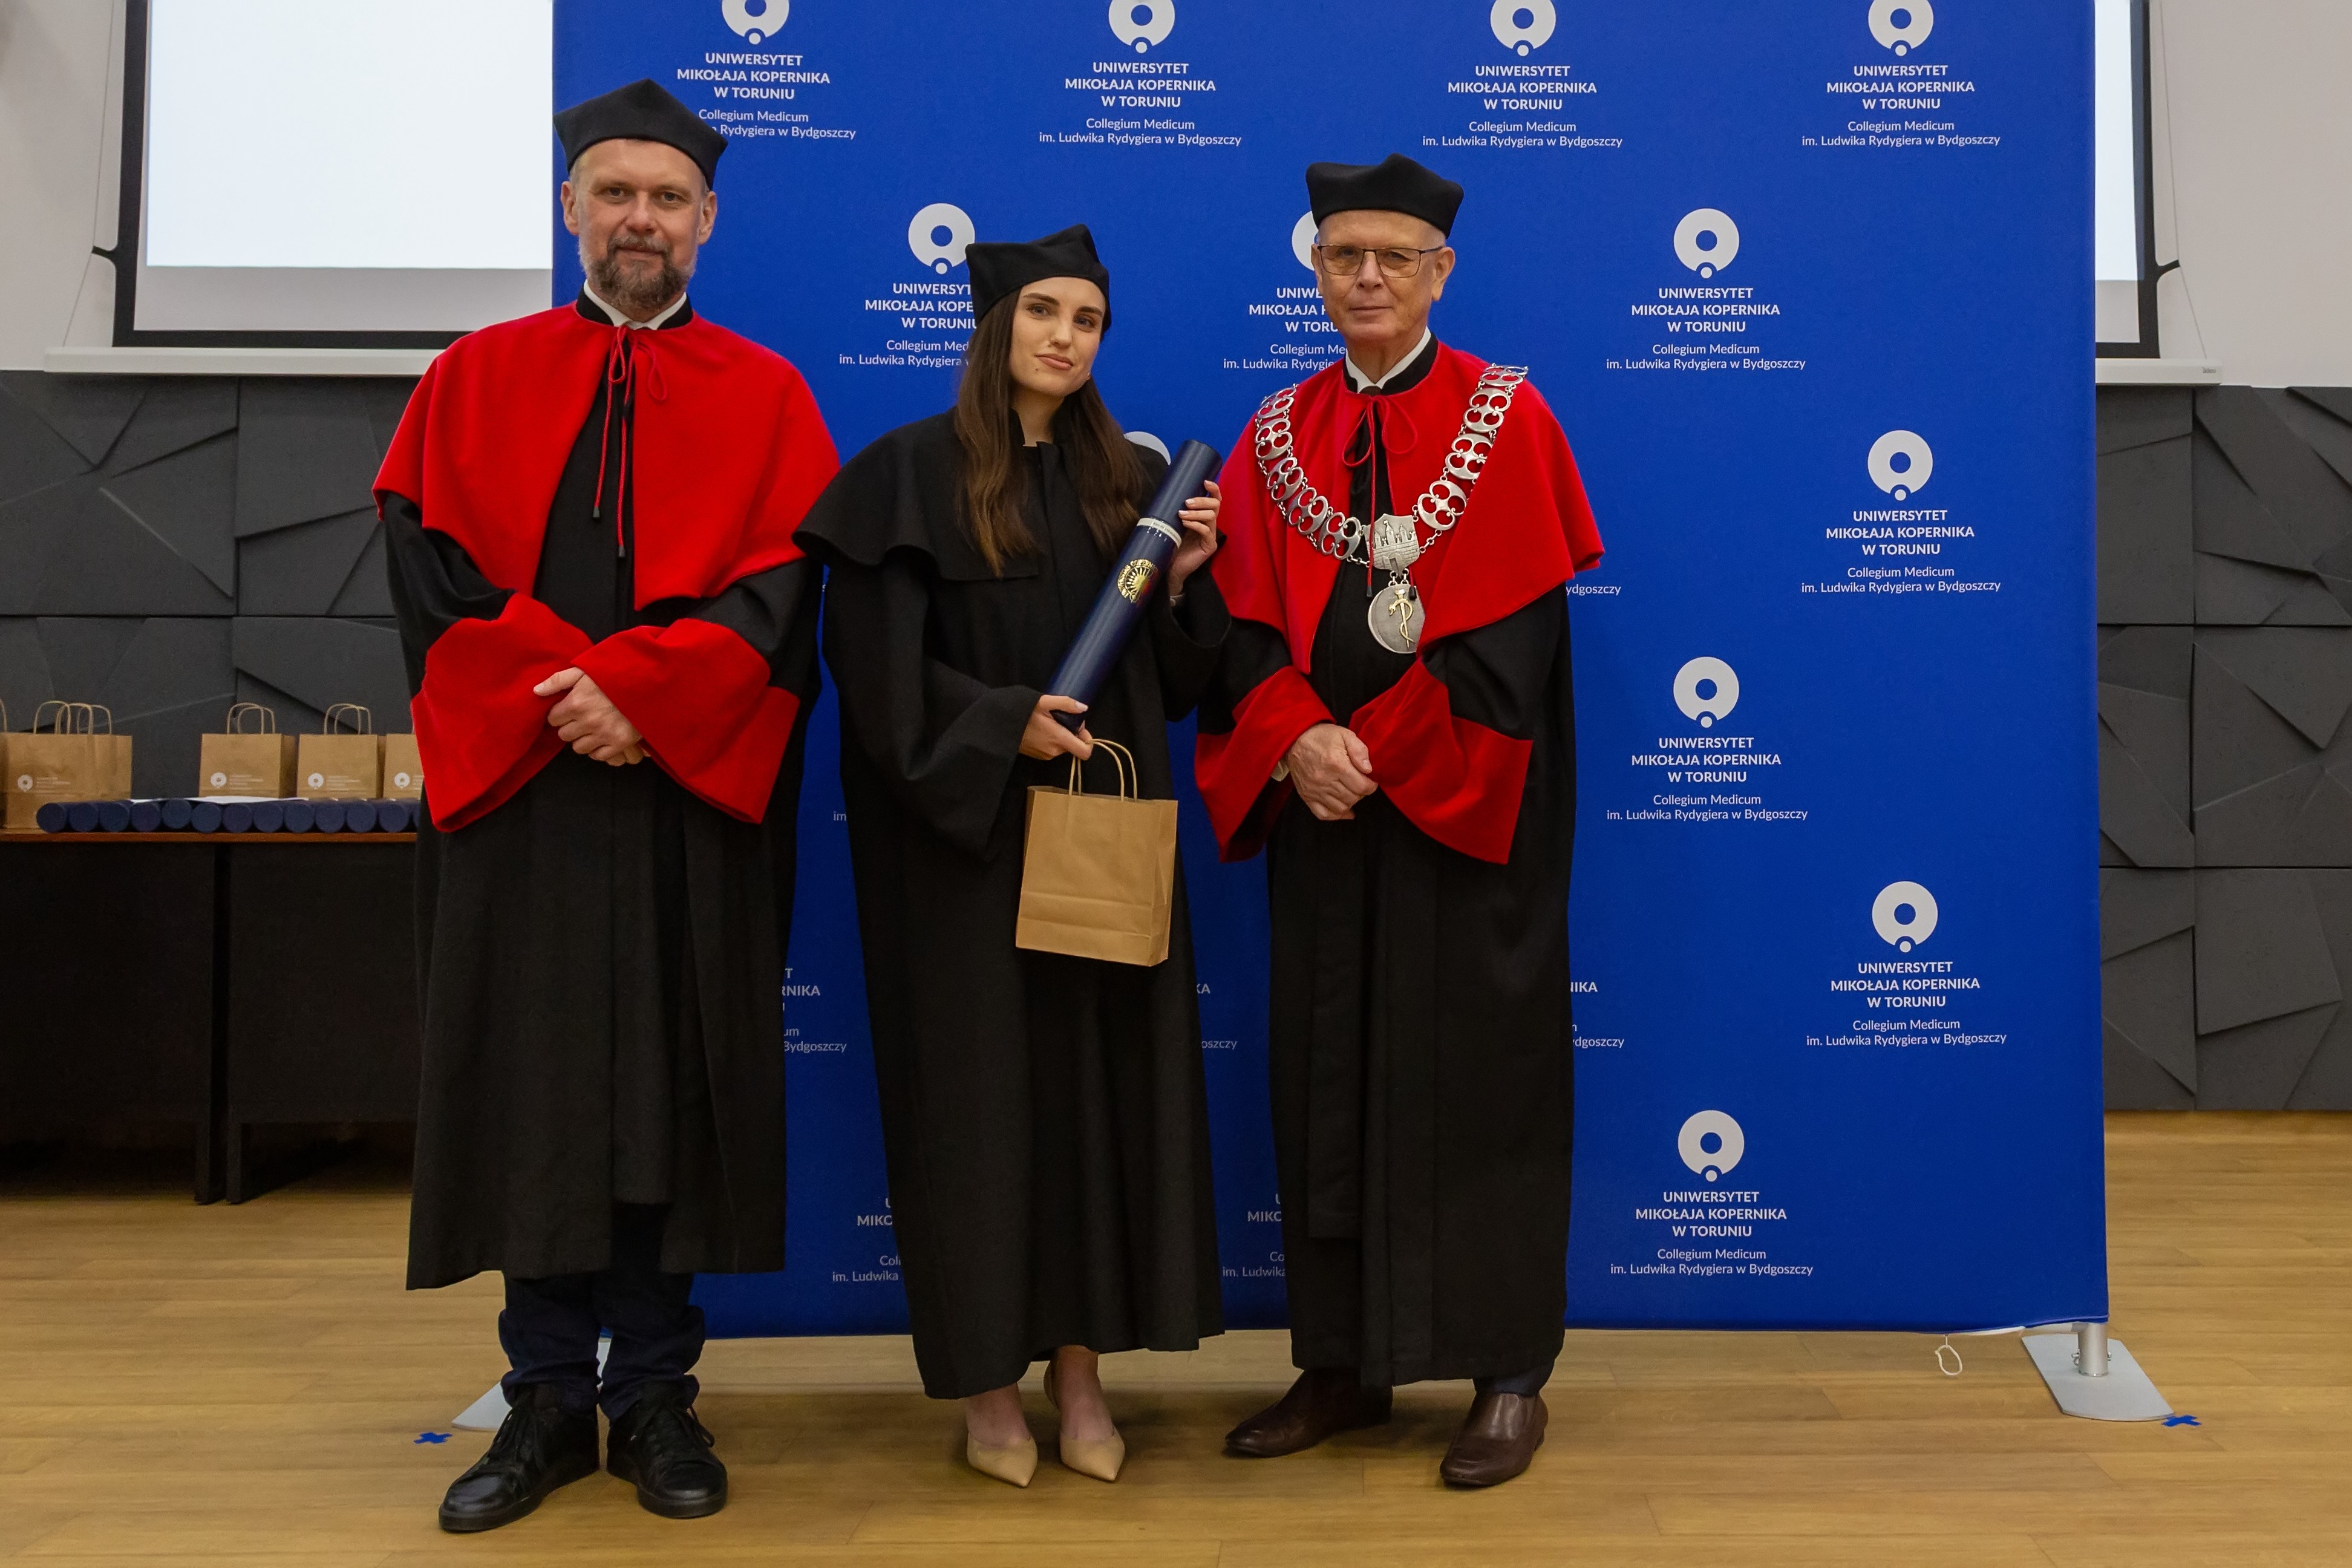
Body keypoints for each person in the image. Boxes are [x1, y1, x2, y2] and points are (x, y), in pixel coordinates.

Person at [374, 79, 838, 1532]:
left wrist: (646, 698)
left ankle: (650, 1396)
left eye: (668, 197)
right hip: (523, 802)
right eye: (617, 192)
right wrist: (563, 696)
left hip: (683, 798)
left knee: (672, 1086)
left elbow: (779, 598)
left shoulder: (767, 396)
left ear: (708, 220)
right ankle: (541, 1403)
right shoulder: (472, 377)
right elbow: (431, 577)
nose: (643, 217)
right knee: (536, 1086)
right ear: (572, 206)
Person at [1195, 154, 1604, 1488]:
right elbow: (1239, 630)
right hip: (1323, 818)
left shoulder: (1508, 417)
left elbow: (1514, 651)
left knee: (1483, 1080)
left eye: (1394, 257)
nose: (1366, 277)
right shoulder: (1275, 435)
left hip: (1465, 819)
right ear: (1315, 270)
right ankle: (1340, 1363)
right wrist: (1295, 739)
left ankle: (1507, 1371)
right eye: (1343, 256)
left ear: (1441, 272)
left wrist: (1371, 751)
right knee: (1325, 1077)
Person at [795, 224, 1227, 1489]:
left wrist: (1186, 581)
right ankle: (989, 1387)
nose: (1065, 338)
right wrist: (1001, 724)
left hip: (1098, 839)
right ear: (995, 326)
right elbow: (875, 676)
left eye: (1087, 320)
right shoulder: (904, 475)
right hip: (962, 852)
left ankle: (1080, 1374)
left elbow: (1178, 689)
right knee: (976, 1113)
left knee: (1096, 1107)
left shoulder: (1128, 484)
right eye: (1043, 312)